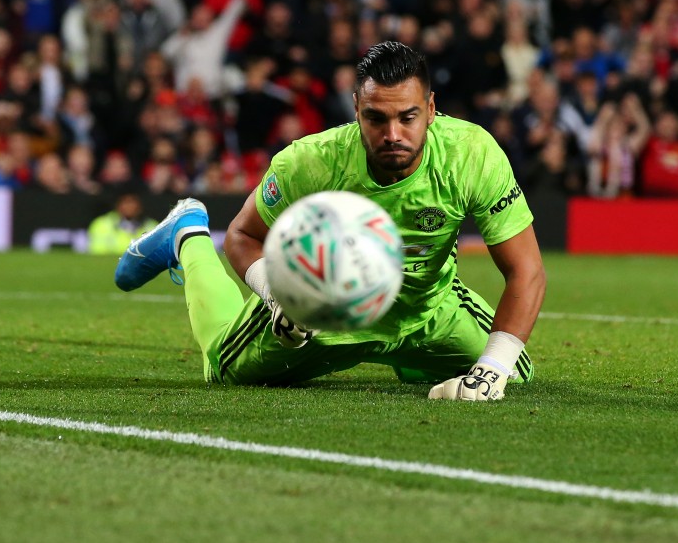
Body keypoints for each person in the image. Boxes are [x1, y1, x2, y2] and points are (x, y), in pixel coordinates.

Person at [115, 42, 546, 402]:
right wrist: (279, 297)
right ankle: (187, 233)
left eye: (407, 117)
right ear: (356, 108)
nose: (392, 134)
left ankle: (414, 359)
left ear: (431, 109)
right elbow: (242, 235)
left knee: (511, 369)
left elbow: (526, 270)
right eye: (376, 118)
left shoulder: (471, 155)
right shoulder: (311, 163)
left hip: (427, 312)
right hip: (324, 315)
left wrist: (492, 369)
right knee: (223, 371)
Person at [87, 193, 158, 256]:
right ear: (118, 205)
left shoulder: (152, 226)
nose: (129, 207)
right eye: (126, 202)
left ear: (140, 206)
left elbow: (156, 254)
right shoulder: (102, 224)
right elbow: (97, 252)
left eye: (132, 202)